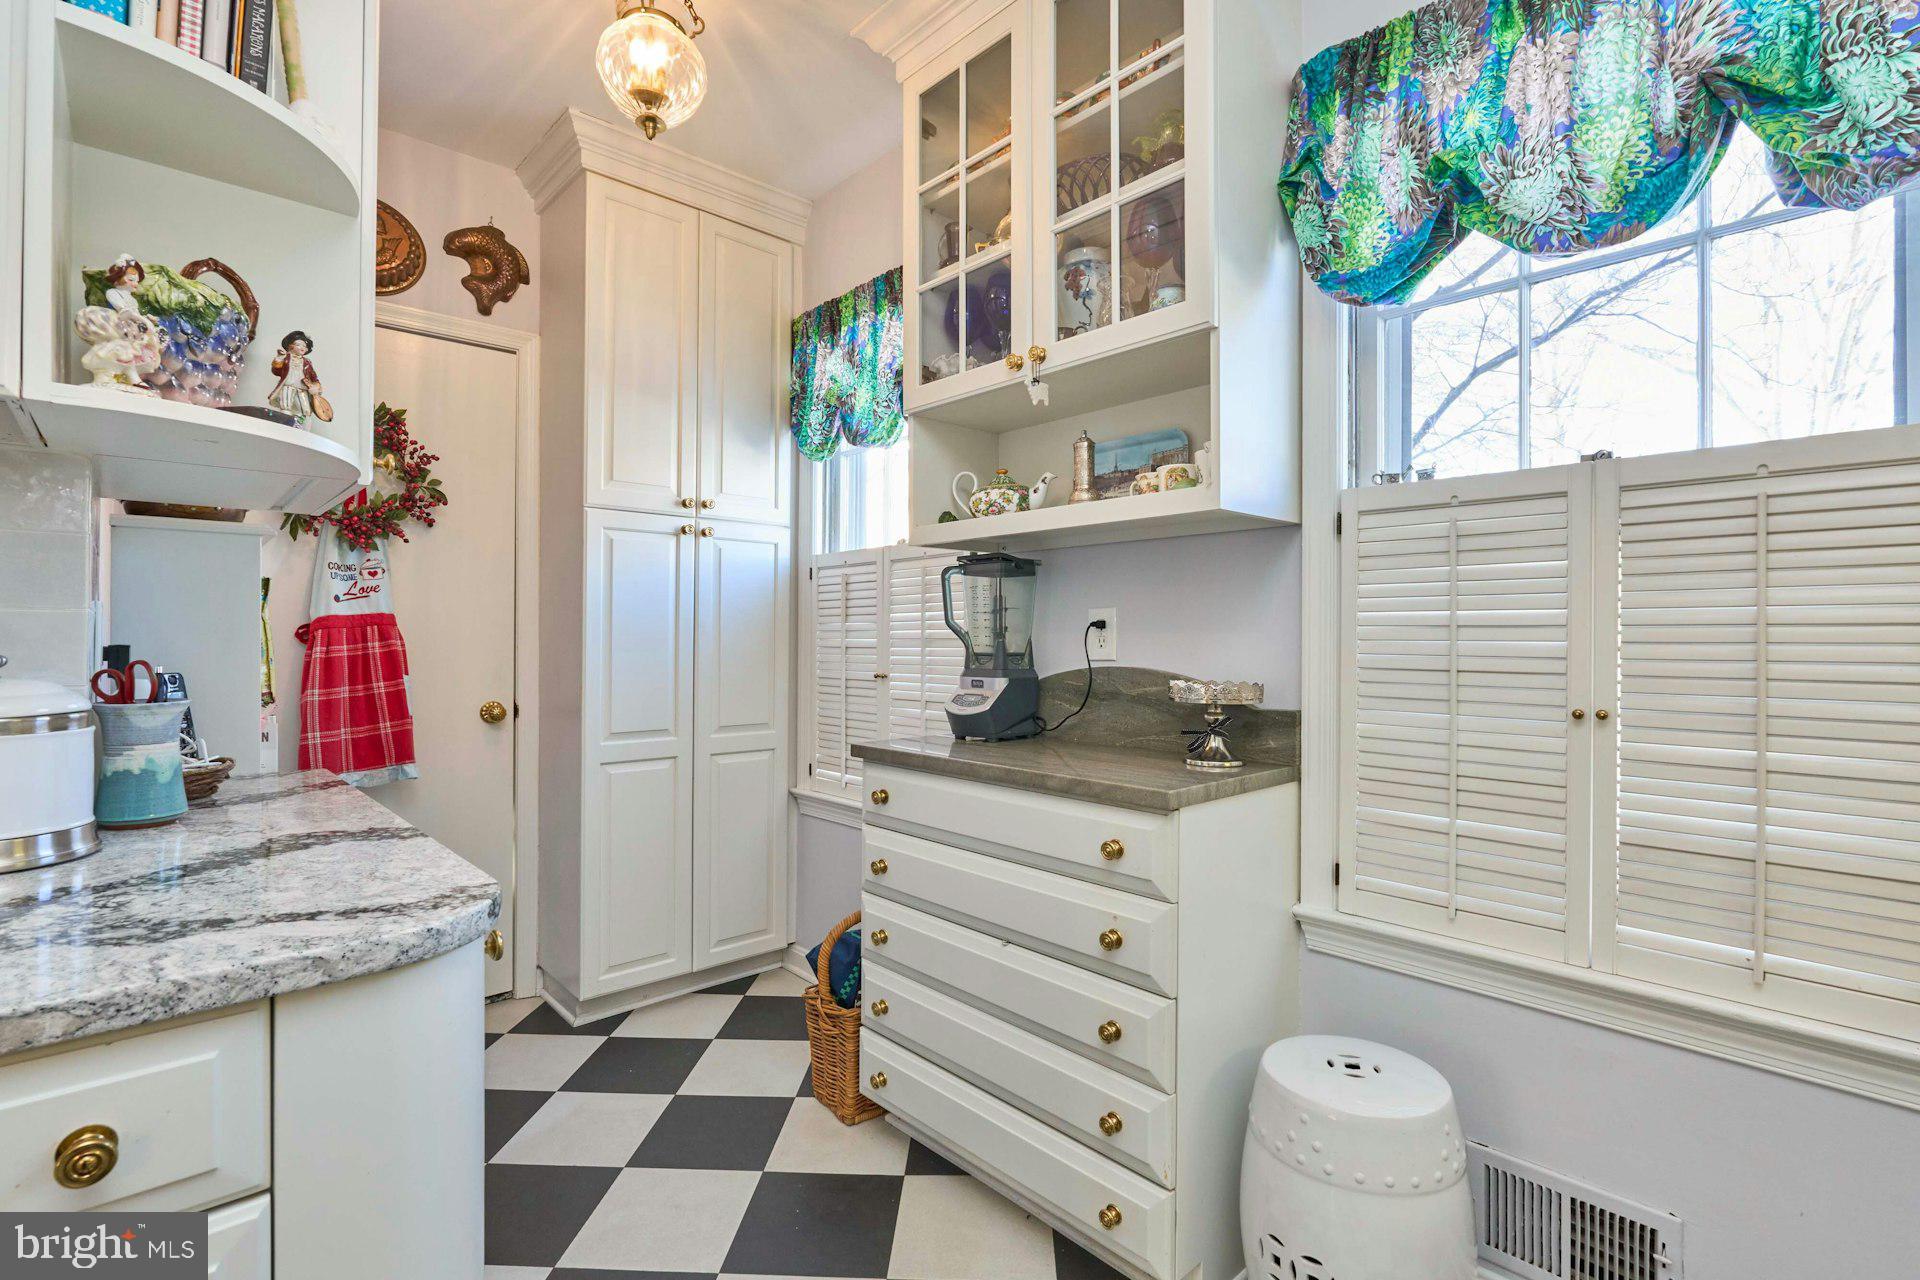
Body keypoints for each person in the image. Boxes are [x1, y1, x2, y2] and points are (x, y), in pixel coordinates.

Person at [269, 330, 323, 422]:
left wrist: (316, 386)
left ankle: (300, 425)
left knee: (304, 410)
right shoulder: (286, 359)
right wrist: (279, 359)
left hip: (302, 389)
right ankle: (285, 424)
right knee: (286, 407)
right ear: (291, 347)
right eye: (298, 345)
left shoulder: (307, 362)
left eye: (304, 346)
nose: (302, 348)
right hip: (288, 387)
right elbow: (276, 371)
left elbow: (313, 376)